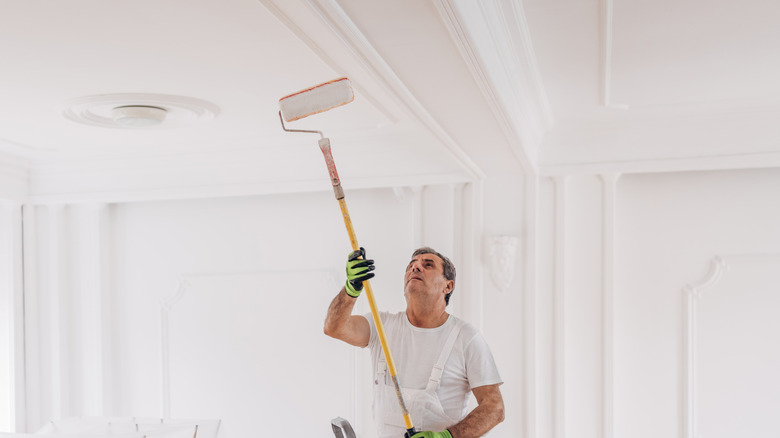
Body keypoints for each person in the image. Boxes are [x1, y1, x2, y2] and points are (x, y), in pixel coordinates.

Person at [324, 246, 505, 438]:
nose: (415, 268)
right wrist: (351, 288)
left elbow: (494, 408)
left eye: (427, 265)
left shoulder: (466, 337)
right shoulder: (381, 326)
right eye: (411, 265)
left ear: (448, 286)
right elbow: (334, 327)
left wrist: (447, 436)